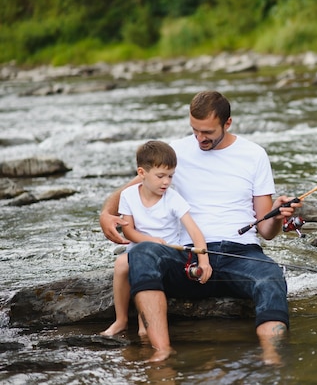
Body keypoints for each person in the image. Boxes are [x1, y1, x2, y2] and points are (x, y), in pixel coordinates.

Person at [99, 90, 301, 364]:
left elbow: (266, 231)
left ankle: (272, 359)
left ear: (227, 124)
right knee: (142, 253)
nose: (199, 138)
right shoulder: (177, 151)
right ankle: (162, 352)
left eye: (206, 132)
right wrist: (106, 214)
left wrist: (277, 215)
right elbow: (135, 185)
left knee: (270, 276)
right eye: (194, 130)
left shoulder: (254, 155)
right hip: (187, 255)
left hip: (240, 254)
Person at [101, 140, 211, 337]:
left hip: (167, 253)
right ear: (142, 173)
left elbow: (195, 232)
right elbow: (129, 232)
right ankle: (121, 320)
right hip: (139, 248)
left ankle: (146, 325)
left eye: (170, 176)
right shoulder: (128, 195)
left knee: (147, 267)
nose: (166, 182)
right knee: (121, 265)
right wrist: (149, 240)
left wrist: (203, 260)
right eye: (160, 176)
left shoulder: (173, 198)